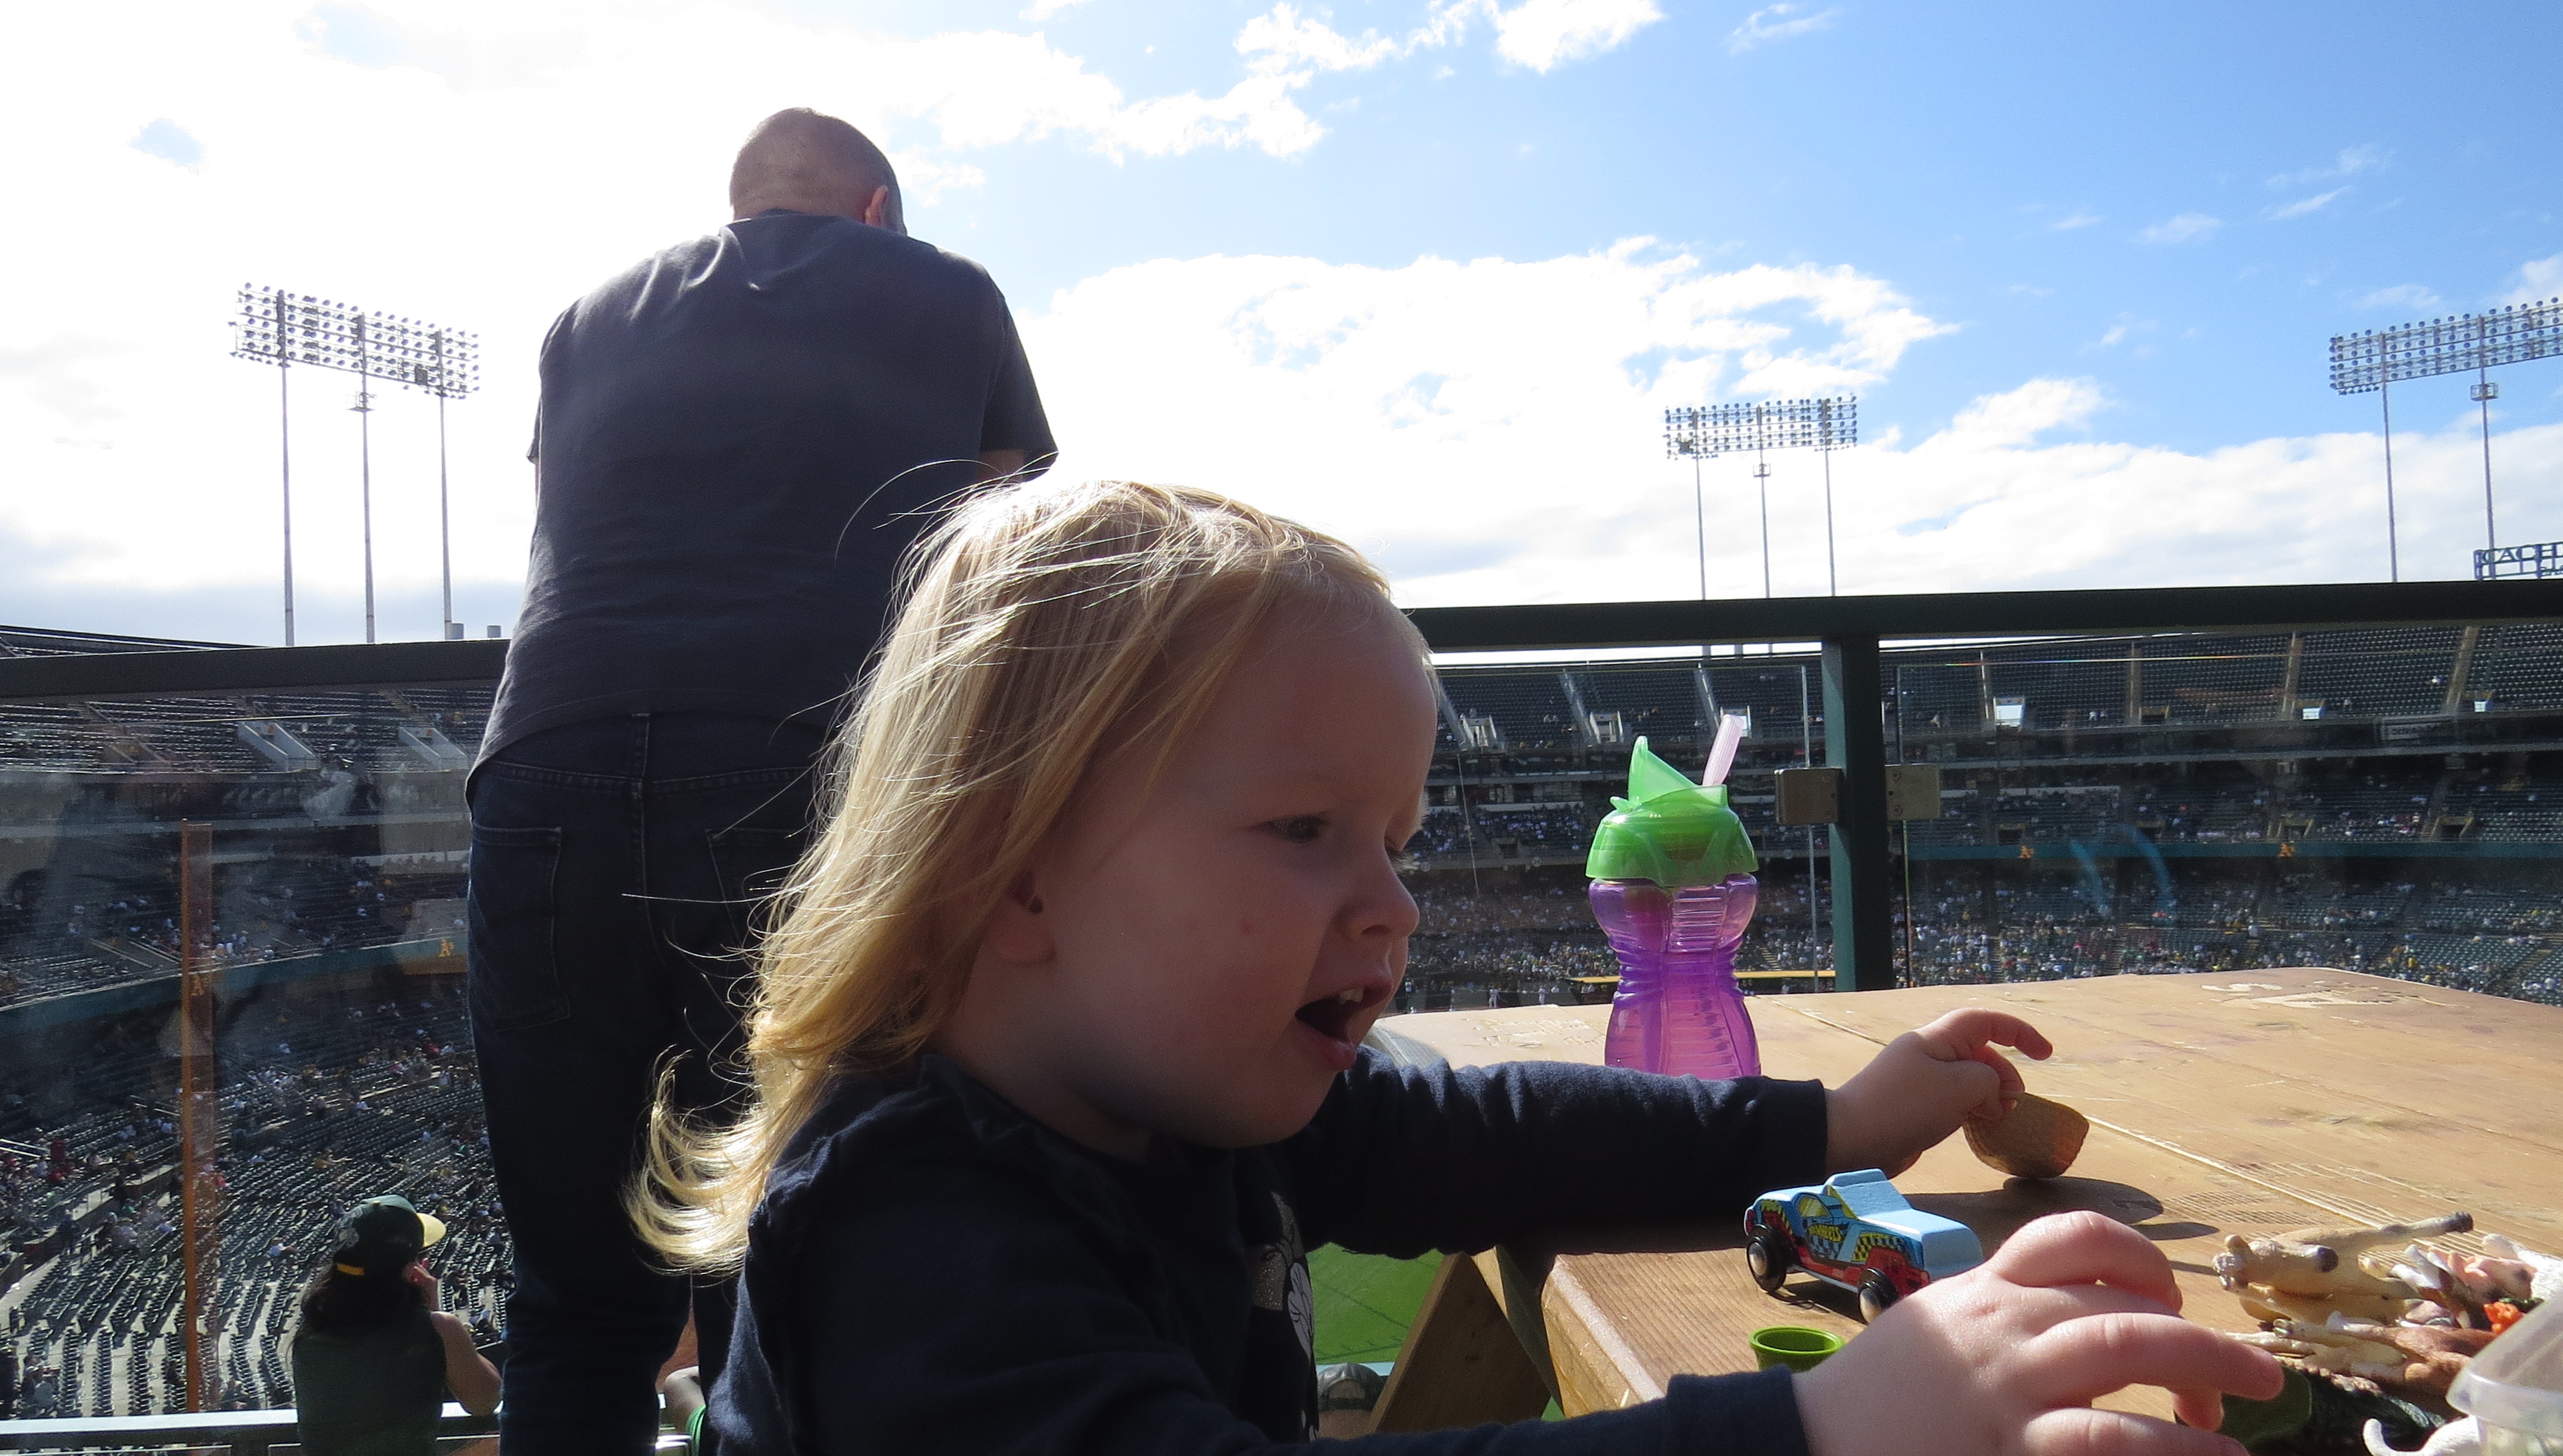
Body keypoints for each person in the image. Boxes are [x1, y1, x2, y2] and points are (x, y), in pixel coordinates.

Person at [635, 479, 2284, 1455]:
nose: (1391, 905)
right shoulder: (908, 1229)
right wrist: (1817, 1426)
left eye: (1395, 839)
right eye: (1304, 828)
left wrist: (1833, 1123)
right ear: (1011, 871)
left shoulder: (1187, 1090)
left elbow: (1487, 1132)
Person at [466, 108, 1057, 1449]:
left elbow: (572, 518)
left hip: (542, 762)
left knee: (575, 1301)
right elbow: (998, 543)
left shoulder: (582, 319)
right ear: (876, 209)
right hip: (798, 755)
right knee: (785, 1269)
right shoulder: (944, 286)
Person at [290, 1195, 500, 1456]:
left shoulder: (311, 1326)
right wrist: (435, 1316)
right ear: (410, 1268)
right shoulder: (438, 1328)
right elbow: (485, 1402)